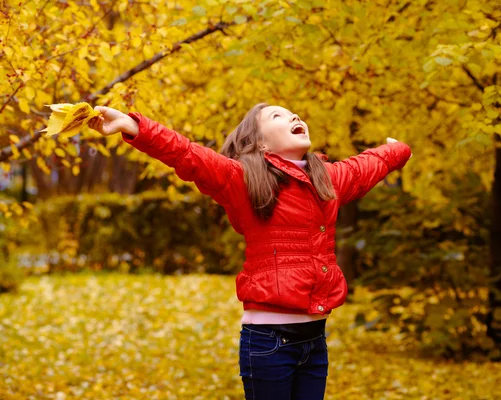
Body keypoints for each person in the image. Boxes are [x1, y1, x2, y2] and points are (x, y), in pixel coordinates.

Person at [89, 103, 412, 399]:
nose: (294, 117)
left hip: (315, 338)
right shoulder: (240, 178)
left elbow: (366, 166)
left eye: (294, 114)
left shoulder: (326, 180)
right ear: (260, 143)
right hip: (269, 340)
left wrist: (398, 150)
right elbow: (186, 154)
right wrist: (133, 126)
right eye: (278, 116)